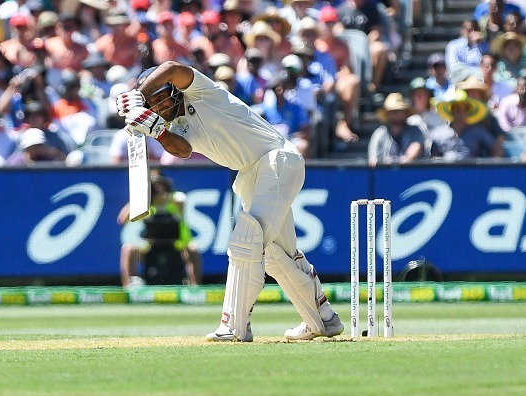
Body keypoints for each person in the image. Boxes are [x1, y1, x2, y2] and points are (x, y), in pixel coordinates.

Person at [116, 61, 344, 342]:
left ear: (174, 91)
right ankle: (323, 319)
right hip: (252, 174)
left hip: (276, 159)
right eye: (153, 104)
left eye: (161, 97)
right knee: (276, 254)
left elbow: (174, 67)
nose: (160, 106)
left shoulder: (201, 91)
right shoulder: (175, 127)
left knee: (247, 240)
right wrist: (158, 131)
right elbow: (183, 150)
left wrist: (137, 93)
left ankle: (234, 326)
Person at [118, 173, 201, 287]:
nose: (158, 190)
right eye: (155, 188)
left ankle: (195, 287)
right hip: (151, 245)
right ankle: (129, 288)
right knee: (128, 249)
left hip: (176, 244)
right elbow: (123, 219)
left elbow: (180, 202)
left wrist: (165, 197)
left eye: (161, 186)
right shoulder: (145, 204)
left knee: (193, 249)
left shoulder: (176, 199)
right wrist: (141, 198)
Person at [368, 93, 425, 166]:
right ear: (387, 114)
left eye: (399, 111)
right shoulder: (379, 133)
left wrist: (407, 159)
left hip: (410, 172)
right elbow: (373, 158)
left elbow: (416, 147)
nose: (395, 113)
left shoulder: (415, 130)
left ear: (406, 113)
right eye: (392, 111)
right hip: (385, 174)